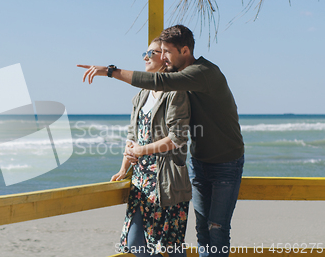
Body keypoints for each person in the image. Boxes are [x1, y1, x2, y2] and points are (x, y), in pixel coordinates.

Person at [78, 25, 244, 257]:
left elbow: (161, 86)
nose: (162, 57)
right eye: (160, 52)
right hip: (197, 163)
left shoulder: (201, 73)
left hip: (225, 163)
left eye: (165, 52)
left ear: (184, 50)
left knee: (215, 229)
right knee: (201, 231)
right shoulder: (161, 87)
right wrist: (125, 165)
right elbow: (134, 131)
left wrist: (109, 71)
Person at [110, 39, 191, 257]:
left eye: (151, 53)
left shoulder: (175, 92)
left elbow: (178, 139)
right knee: (134, 241)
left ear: (164, 59)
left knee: (168, 247)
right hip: (140, 181)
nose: (145, 57)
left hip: (167, 182)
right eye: (144, 53)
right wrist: (123, 167)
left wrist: (140, 150)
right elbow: (132, 136)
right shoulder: (140, 95)